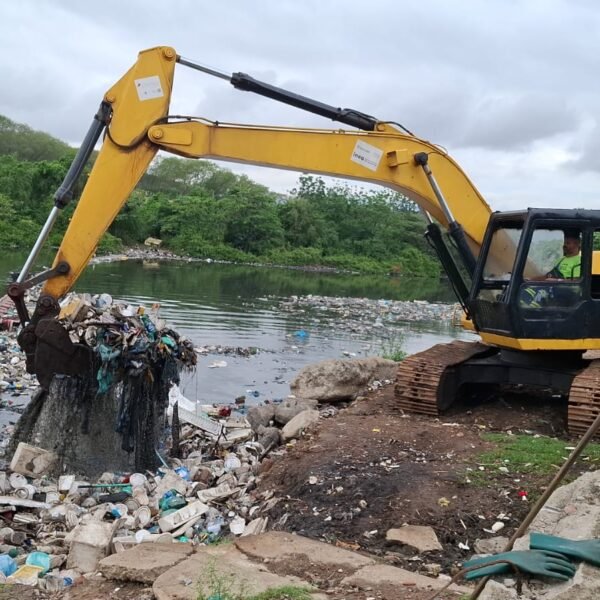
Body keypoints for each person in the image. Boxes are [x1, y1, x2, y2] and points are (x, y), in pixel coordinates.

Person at [520, 230, 581, 307]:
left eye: (567, 243)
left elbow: (576, 281)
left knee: (542, 291)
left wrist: (557, 281)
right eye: (565, 242)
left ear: (576, 244)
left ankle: (534, 310)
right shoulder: (561, 260)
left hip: (568, 291)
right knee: (527, 289)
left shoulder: (579, 261)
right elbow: (548, 276)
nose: (564, 245)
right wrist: (530, 280)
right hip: (554, 286)